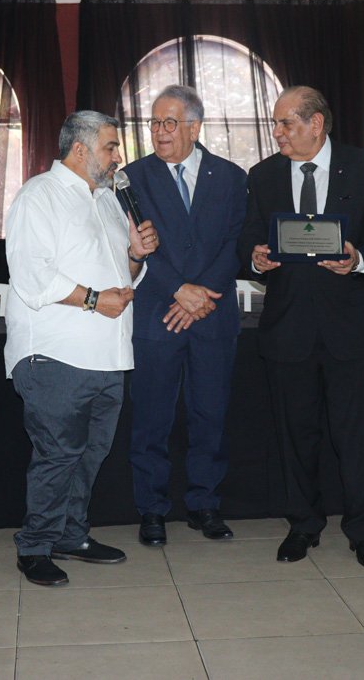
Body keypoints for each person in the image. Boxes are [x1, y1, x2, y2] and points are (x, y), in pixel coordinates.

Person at [238, 86, 364, 568]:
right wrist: (256, 258)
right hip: (288, 327)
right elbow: (249, 236)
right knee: (295, 436)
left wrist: (359, 259)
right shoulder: (263, 175)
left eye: (285, 123)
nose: (277, 133)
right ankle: (303, 525)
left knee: (356, 436)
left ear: (316, 123)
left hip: (351, 328)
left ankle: (363, 530)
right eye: (275, 123)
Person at [4, 111, 158, 586]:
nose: (117, 158)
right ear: (80, 149)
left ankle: (70, 534)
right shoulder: (39, 195)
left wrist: (135, 256)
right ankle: (35, 545)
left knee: (90, 453)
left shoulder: (108, 201)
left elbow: (123, 278)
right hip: (55, 353)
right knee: (58, 454)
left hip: (108, 355)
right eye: (110, 147)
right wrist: (93, 300)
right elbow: (32, 275)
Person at [123, 85, 247, 546]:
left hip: (213, 315)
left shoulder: (231, 177)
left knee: (209, 415)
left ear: (195, 127)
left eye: (170, 123)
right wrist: (178, 290)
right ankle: (152, 509)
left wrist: (202, 296)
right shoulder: (131, 178)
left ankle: (204, 504)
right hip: (157, 313)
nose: (160, 131)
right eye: (154, 123)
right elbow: (135, 244)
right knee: (151, 419)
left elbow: (236, 241)